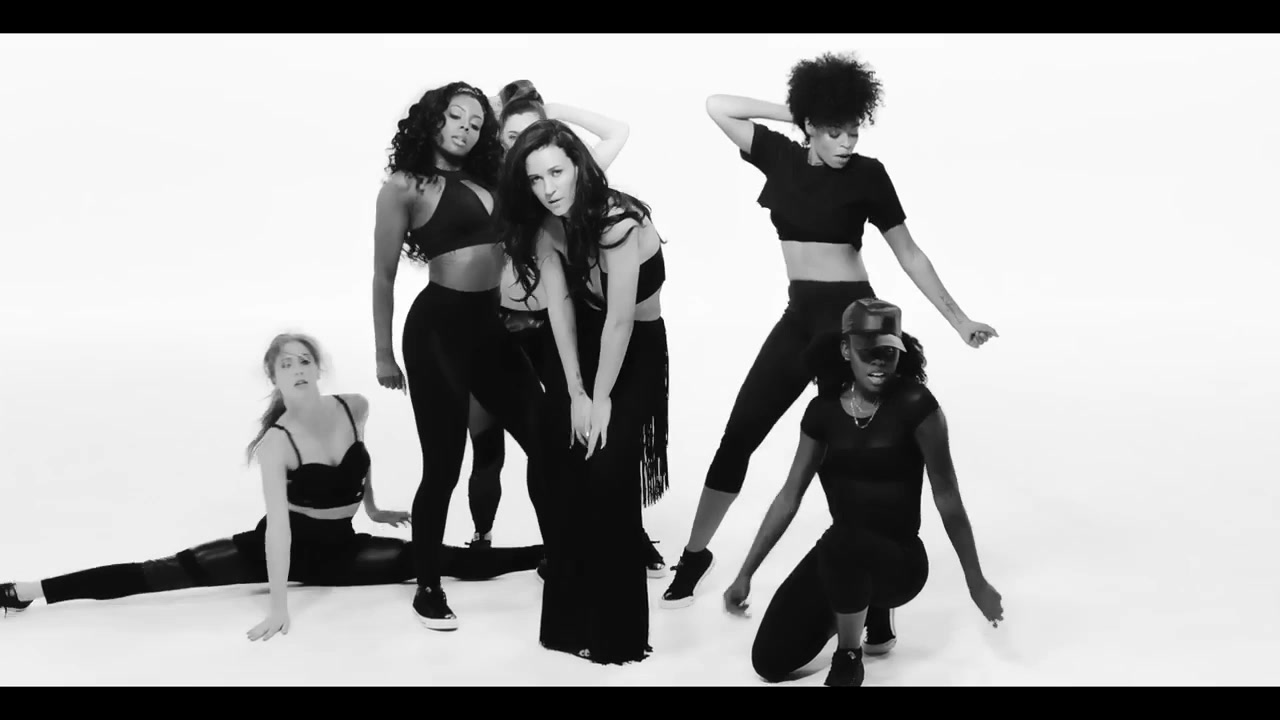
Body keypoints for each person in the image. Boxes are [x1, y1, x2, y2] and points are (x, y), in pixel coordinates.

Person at [661, 51, 999, 610]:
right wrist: (799, 114)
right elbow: (717, 106)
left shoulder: (869, 175)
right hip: (800, 320)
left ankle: (876, 592)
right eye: (835, 131)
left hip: (853, 324)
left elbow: (910, 254)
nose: (847, 143)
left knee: (854, 456)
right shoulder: (779, 155)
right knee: (739, 434)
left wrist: (959, 320)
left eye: (853, 131)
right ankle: (695, 554)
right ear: (812, 127)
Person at [0, 334, 544, 639]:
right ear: (275, 379)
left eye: (305, 360)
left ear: (318, 368)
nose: (298, 369)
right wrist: (279, 607)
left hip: (343, 551)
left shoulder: (354, 407)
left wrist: (374, 510)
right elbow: (279, 532)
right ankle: (25, 590)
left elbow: (360, 462)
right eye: (287, 365)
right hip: (273, 552)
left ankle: (554, 553)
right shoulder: (276, 445)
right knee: (156, 574)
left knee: (444, 559)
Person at [720, 298, 1004, 686]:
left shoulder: (917, 406)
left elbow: (948, 499)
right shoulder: (822, 413)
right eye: (868, 352)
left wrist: (976, 581)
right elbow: (789, 496)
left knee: (842, 542)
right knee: (769, 662)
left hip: (900, 562)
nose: (879, 362)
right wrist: (745, 573)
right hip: (843, 557)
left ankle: (849, 656)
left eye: (889, 351)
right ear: (845, 349)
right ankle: (868, 610)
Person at [371, 80, 553, 631]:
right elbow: (382, 276)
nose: (466, 129)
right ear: (433, 119)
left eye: (476, 123)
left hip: (490, 328)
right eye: (456, 117)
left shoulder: (491, 176)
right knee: (444, 465)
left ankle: (562, 557)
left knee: (546, 438)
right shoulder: (405, 185)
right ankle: (428, 585)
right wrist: (383, 354)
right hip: (437, 332)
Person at [498, 118, 669, 665]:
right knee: (564, 469)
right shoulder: (544, 225)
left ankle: (618, 636)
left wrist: (601, 398)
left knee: (608, 471)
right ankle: (568, 626)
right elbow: (561, 309)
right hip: (584, 342)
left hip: (634, 348)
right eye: (535, 178)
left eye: (556, 172)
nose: (548, 188)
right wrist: (575, 393)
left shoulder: (618, 221)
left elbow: (621, 321)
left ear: (578, 165)